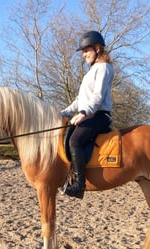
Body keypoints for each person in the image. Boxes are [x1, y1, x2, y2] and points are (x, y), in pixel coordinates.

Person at [60, 30, 114, 199]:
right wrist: (63, 113)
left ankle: (79, 185)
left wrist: (84, 113)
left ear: (98, 49)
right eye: (83, 52)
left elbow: (97, 97)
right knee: (67, 135)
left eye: (86, 51)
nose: (84, 55)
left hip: (99, 115)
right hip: (90, 113)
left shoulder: (104, 68)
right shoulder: (91, 72)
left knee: (75, 140)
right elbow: (79, 99)